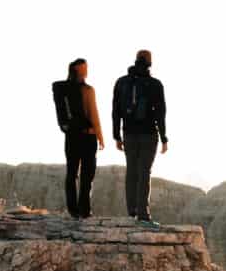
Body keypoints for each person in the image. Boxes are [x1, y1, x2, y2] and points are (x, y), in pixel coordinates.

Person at [111, 49, 169, 221]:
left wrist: (116, 136)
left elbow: (116, 111)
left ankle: (132, 211)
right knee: (145, 172)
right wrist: (164, 137)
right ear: (150, 62)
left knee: (132, 171)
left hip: (128, 133)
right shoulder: (155, 84)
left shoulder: (121, 82)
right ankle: (143, 214)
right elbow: (160, 114)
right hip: (149, 134)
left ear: (136, 60)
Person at [50, 57, 104, 217]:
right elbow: (94, 114)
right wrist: (100, 135)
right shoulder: (87, 90)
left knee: (76, 173)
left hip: (75, 136)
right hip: (86, 136)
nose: (86, 70)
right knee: (84, 174)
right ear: (77, 70)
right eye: (84, 67)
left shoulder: (66, 89)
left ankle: (77, 210)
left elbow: (93, 113)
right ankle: (82, 211)